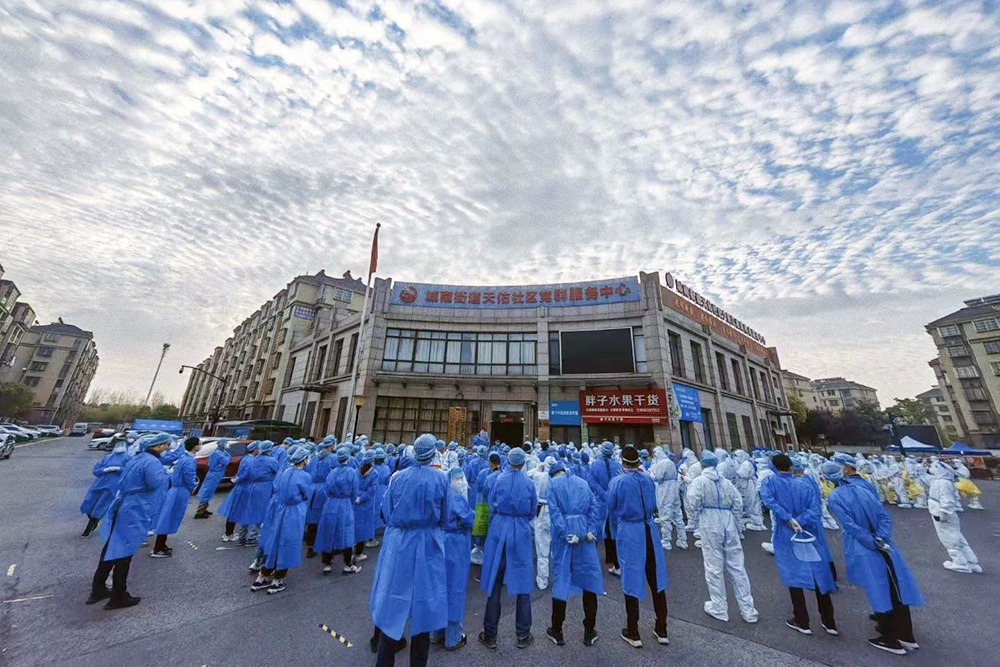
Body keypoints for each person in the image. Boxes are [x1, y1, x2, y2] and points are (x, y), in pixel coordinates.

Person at [824, 462, 924, 656]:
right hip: (885, 544)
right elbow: (884, 516)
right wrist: (881, 537)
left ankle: (889, 638)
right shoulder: (863, 490)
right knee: (895, 587)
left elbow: (850, 526)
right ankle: (907, 635)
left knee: (878, 590)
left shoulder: (835, 496)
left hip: (864, 546)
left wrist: (870, 542)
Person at [370, 434, 450, 667]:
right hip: (427, 543)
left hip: (400, 543)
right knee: (423, 609)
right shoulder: (440, 479)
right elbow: (445, 516)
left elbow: (387, 511)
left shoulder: (398, 478)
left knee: (392, 606)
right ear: (433, 454)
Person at [87, 433, 171, 609]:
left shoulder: (137, 458)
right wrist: (167, 474)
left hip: (124, 505)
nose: (168, 448)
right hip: (136, 509)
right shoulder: (152, 462)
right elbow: (155, 483)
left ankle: (98, 589)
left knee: (111, 549)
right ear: (157, 446)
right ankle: (118, 596)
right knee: (124, 553)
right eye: (166, 445)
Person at [759, 454, 837, 636]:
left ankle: (802, 620)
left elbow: (768, 500)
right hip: (808, 532)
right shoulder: (804, 484)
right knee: (818, 574)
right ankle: (829, 621)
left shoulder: (770, 482)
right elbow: (815, 510)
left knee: (793, 575)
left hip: (787, 533)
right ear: (790, 466)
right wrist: (800, 520)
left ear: (773, 466)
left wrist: (789, 519)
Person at [687, 450, 758, 623]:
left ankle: (719, 607)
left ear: (702, 464)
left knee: (714, 566)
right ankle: (748, 610)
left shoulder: (699, 482)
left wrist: (697, 517)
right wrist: (737, 525)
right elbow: (738, 503)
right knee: (737, 566)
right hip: (728, 521)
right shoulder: (726, 482)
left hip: (710, 521)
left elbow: (693, 503)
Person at [608, 446, 670, 648]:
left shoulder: (618, 482)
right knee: (656, 579)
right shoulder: (647, 479)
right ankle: (662, 628)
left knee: (631, 578)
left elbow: (611, 507)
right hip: (649, 529)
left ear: (623, 461)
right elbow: (654, 504)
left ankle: (633, 631)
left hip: (630, 531)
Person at [479, 447, 537, 650]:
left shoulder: (498, 479)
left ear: (508, 460)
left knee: (495, 582)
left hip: (500, 526)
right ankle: (523, 634)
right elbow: (532, 510)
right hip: (520, 529)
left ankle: (490, 634)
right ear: (523, 463)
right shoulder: (528, 483)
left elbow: (491, 504)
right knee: (523, 582)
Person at [544, 461, 603, 647]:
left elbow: (555, 513)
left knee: (561, 580)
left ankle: (557, 629)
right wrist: (591, 530)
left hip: (565, 538)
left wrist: (565, 533)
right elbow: (594, 508)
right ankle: (589, 630)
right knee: (588, 581)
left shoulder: (552, 485)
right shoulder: (582, 483)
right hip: (585, 534)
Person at [251, 447, 312, 594]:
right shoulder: (305, 476)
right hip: (294, 512)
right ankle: (278, 579)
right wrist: (299, 499)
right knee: (288, 544)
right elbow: (307, 494)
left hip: (280, 510)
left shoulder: (285, 472)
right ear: (304, 459)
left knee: (274, 542)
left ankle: (263, 576)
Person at [430, 467, 475, 651]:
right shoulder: (458, 499)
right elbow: (469, 520)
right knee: (455, 588)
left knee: (440, 588)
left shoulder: (440, 496)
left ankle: (436, 633)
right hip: (457, 545)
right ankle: (453, 638)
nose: (461, 482)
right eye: (458, 479)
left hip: (441, 542)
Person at [927, 461, 981, 573]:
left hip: (941, 513)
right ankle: (970, 561)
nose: (932, 468)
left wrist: (942, 514)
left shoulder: (943, 483)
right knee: (957, 537)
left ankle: (960, 562)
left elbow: (947, 501)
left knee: (949, 539)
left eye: (934, 466)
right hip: (940, 512)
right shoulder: (941, 481)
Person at [151, 436, 202, 557]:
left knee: (169, 517)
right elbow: (189, 477)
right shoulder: (189, 461)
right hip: (180, 492)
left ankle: (162, 544)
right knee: (168, 518)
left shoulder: (184, 458)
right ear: (195, 446)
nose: (200, 446)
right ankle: (158, 548)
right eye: (199, 444)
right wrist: (192, 488)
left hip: (176, 490)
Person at [314, 447, 361, 575]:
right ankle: (348, 564)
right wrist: (350, 503)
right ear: (348, 458)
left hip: (330, 504)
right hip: (344, 504)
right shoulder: (352, 472)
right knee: (347, 534)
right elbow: (354, 492)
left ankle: (327, 563)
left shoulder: (332, 472)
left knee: (329, 533)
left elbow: (326, 489)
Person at [80, 439, 129, 537]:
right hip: (99, 484)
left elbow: (130, 472)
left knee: (101, 506)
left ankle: (88, 529)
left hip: (113, 486)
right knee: (89, 503)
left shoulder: (128, 458)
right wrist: (105, 469)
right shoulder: (108, 457)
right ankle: (94, 520)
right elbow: (96, 470)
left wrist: (119, 469)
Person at [589, 441, 623, 575]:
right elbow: (621, 482)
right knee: (613, 530)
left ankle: (593, 561)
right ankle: (614, 559)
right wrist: (611, 495)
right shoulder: (618, 465)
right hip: (615, 502)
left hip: (601, 502)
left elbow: (591, 482)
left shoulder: (595, 465)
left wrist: (603, 494)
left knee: (598, 529)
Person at [218, 441, 259, 543]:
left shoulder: (246, 458)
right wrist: (238, 479)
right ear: (254, 450)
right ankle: (228, 534)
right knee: (235, 511)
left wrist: (236, 479)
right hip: (244, 488)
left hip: (240, 487)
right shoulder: (251, 461)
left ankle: (229, 533)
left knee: (234, 510)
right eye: (258, 448)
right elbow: (246, 474)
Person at [649, 448, 687, 550]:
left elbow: (657, 477)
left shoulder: (662, 463)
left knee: (665, 516)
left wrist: (651, 474)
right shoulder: (670, 462)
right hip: (674, 490)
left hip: (665, 491)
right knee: (677, 515)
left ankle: (666, 541)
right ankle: (683, 540)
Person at [243, 441, 280, 547]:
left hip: (253, 486)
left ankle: (243, 536)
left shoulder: (255, 459)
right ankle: (252, 537)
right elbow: (279, 472)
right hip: (265, 488)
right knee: (260, 511)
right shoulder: (271, 461)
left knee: (250, 510)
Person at [471, 453, 501, 565]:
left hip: (487, 507)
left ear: (490, 463)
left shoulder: (487, 476)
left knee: (483, 532)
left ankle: (482, 553)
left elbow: (482, 490)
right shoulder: (503, 476)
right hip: (500, 511)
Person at [527, 457, 552, 589]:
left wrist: (537, 468)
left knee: (542, 546)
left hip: (542, 512)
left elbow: (529, 474)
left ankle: (543, 579)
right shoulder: (560, 477)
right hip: (555, 512)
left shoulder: (540, 476)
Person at [194, 438, 232, 519]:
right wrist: (226, 458)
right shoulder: (217, 453)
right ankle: (199, 512)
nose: (227, 444)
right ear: (222, 444)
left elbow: (228, 458)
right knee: (207, 492)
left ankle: (204, 509)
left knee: (210, 492)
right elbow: (226, 461)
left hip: (216, 474)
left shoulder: (220, 452)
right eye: (226, 443)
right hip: (214, 475)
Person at [353, 450, 379, 562]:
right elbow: (373, 489)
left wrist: (357, 496)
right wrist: (363, 497)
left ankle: (350, 550)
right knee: (363, 527)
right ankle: (358, 553)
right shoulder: (374, 473)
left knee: (354, 525)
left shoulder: (356, 471)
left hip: (355, 502)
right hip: (367, 504)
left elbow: (353, 485)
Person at [734, 450, 767, 531]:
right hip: (747, 485)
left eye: (737, 456)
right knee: (750, 503)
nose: (736, 458)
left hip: (749, 485)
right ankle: (755, 520)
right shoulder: (744, 463)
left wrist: (736, 472)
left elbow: (744, 474)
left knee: (751, 503)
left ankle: (757, 522)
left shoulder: (746, 464)